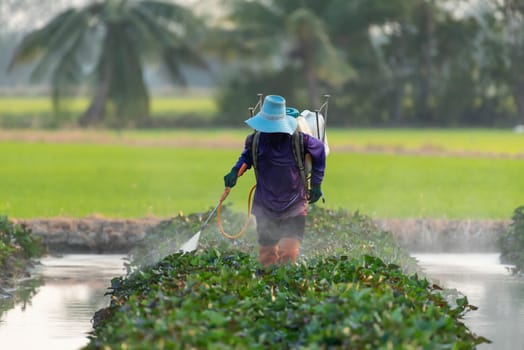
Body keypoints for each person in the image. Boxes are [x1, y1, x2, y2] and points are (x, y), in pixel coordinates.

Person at [223, 94, 326, 266]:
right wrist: (235, 171)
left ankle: (286, 288)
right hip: (265, 205)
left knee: (288, 254)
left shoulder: (300, 141)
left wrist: (316, 183)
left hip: (294, 204)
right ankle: (268, 288)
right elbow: (246, 158)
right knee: (266, 256)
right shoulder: (255, 140)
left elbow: (320, 152)